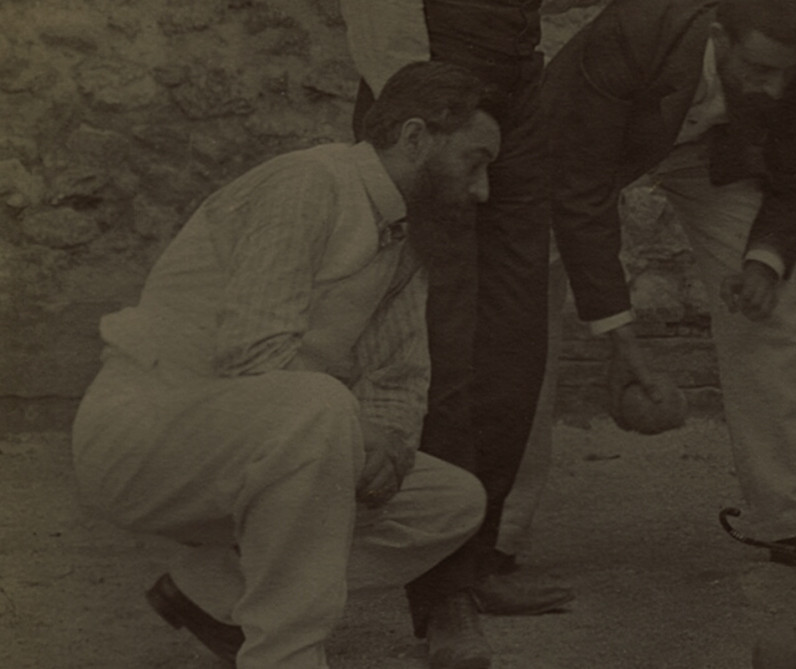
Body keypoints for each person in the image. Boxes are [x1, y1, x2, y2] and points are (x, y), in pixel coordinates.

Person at [69, 61, 500, 669]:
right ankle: (286, 655)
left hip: (248, 443)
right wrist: (357, 434)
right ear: (414, 138)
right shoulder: (309, 183)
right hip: (142, 436)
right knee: (318, 407)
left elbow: (398, 379)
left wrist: (389, 452)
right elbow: (253, 357)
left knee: (450, 501)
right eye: (474, 162)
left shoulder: (407, 234)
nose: (482, 189)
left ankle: (208, 592)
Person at [537, 0, 796, 561]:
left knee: (768, 307)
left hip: (711, 152)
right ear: (717, 35)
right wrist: (619, 341)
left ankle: (794, 521)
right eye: (760, 71)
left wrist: (763, 262)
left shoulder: (792, 53)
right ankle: (496, 538)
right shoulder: (629, 34)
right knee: (527, 306)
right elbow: (582, 196)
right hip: (586, 144)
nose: (776, 88)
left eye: (786, 73)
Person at [340, 2, 572, 666]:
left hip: (518, 85)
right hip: (433, 86)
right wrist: (426, 102)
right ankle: (442, 588)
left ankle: (481, 551)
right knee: (441, 336)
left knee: (517, 336)